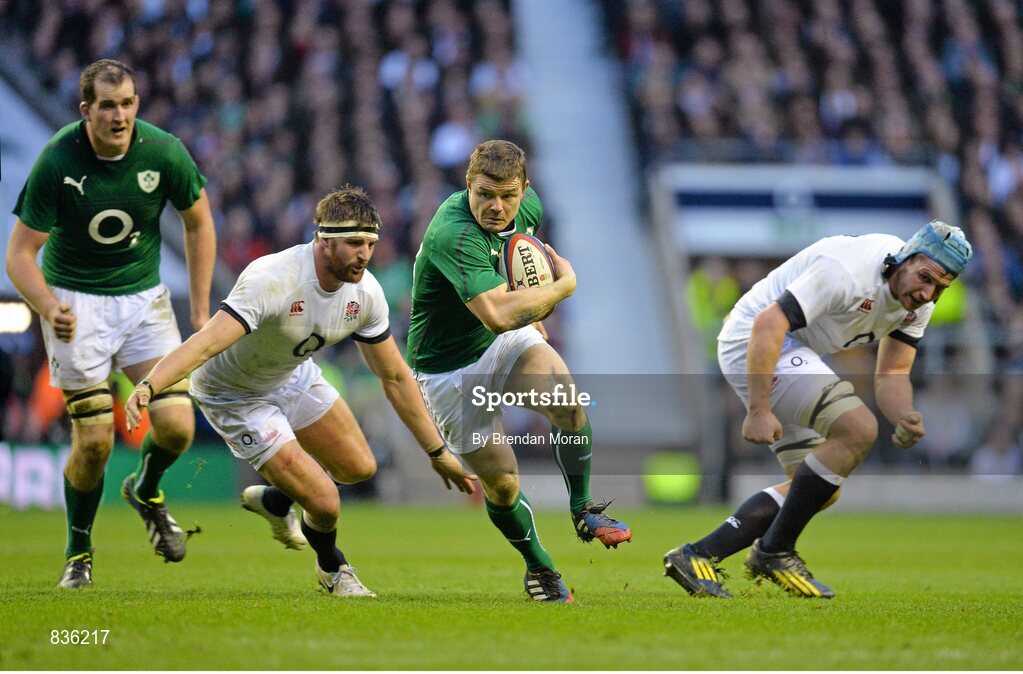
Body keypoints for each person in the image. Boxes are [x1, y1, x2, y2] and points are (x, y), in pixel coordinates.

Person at [125, 186, 477, 598]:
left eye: (370, 243)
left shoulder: (365, 293)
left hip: (292, 375)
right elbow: (205, 342)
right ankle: (333, 568)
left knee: (360, 468)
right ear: (323, 241)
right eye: (353, 244)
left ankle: (277, 501)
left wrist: (437, 453)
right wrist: (152, 383)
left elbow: (396, 377)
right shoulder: (273, 279)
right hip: (234, 394)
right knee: (326, 503)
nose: (364, 254)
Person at [664, 221, 972, 599]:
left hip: (791, 350)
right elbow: (769, 322)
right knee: (858, 428)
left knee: (816, 490)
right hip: (756, 341)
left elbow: (892, 371)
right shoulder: (848, 270)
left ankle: (697, 555)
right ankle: (775, 551)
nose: (928, 293)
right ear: (904, 257)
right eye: (925, 278)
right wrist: (758, 409)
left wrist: (904, 413)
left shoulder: (917, 299)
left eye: (940, 287)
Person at [5, 59, 216, 589]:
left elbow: (199, 222)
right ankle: (79, 552)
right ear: (87, 111)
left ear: (136, 104)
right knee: (95, 441)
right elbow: (20, 255)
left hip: (143, 299)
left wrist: (198, 311)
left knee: (177, 427)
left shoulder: (164, 152)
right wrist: (48, 306)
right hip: (76, 303)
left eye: (127, 103)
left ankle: (146, 488)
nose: (120, 115)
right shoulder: (58, 159)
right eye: (107, 106)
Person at [405, 140, 631, 603]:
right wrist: (563, 286)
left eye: (507, 195)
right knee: (503, 484)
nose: (496, 206)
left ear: (524, 188)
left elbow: (517, 270)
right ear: (468, 183)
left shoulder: (528, 207)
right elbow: (495, 313)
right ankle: (539, 568)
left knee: (567, 403)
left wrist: (535, 313)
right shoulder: (455, 233)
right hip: (448, 369)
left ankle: (583, 507)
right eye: (485, 193)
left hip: (504, 342)